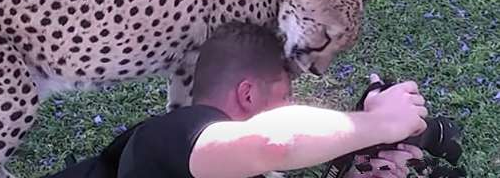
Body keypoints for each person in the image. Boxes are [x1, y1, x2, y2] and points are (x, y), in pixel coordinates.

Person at [43, 21, 427, 178]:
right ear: (246, 93)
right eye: (285, 98)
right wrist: (380, 123)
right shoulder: (168, 137)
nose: (291, 110)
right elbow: (274, 141)